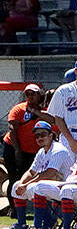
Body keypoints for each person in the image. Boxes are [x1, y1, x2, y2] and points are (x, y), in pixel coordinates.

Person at [3, 121, 73, 229]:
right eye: (37, 136)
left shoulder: (58, 150)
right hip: (52, 184)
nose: (40, 138)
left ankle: (43, 225)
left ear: (51, 135)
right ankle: (21, 223)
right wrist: (22, 183)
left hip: (65, 186)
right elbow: (31, 172)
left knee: (36, 188)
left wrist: (26, 185)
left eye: (43, 134)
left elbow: (50, 173)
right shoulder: (42, 151)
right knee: (16, 185)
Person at [4, 84, 45, 212]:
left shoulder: (44, 111)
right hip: (13, 147)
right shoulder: (19, 109)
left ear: (39, 95)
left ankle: (31, 208)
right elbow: (12, 129)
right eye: (28, 94)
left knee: (30, 179)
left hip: (33, 151)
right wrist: (17, 151)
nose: (30, 97)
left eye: (33, 94)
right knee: (14, 178)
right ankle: (14, 209)